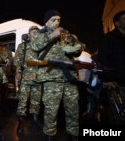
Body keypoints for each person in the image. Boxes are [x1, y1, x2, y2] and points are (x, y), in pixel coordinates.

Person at [30, 10, 84, 141]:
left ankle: (73, 134)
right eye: (53, 19)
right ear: (47, 21)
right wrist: (52, 35)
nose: (57, 22)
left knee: (73, 109)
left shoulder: (66, 34)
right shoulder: (39, 34)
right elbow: (35, 46)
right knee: (51, 110)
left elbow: (77, 49)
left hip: (69, 77)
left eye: (58, 19)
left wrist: (77, 48)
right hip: (51, 77)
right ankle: (50, 135)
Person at [97, 10, 125, 124]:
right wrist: (108, 81)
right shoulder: (108, 39)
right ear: (117, 23)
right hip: (116, 86)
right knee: (119, 116)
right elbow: (103, 63)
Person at [13, 26, 43, 133]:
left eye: (36, 32)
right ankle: (20, 123)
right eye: (33, 32)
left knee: (36, 101)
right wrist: (18, 72)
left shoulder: (41, 46)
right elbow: (17, 60)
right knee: (23, 101)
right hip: (26, 77)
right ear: (29, 34)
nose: (35, 33)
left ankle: (35, 120)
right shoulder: (23, 46)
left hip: (38, 77)